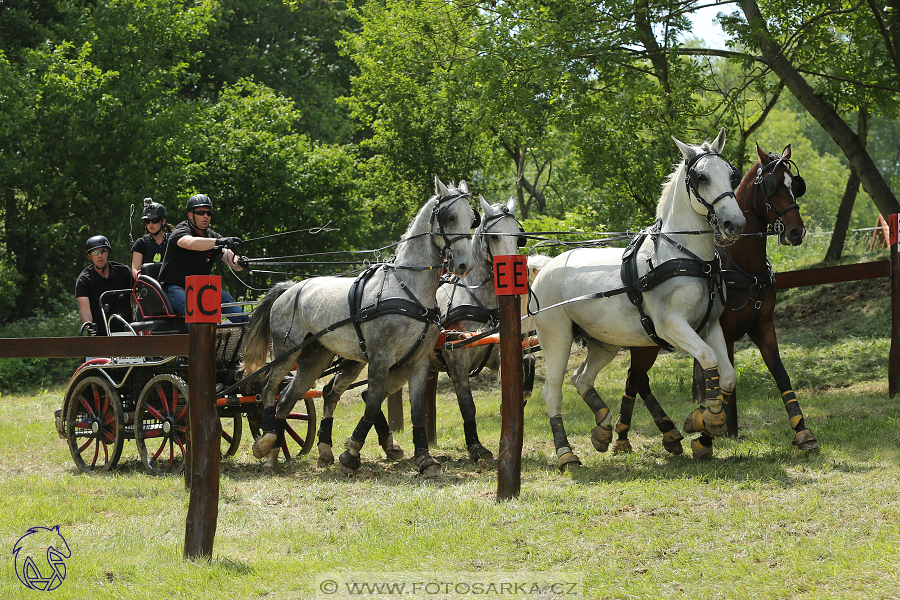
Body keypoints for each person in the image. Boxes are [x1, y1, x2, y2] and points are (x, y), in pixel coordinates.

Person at [158, 193, 250, 323]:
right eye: (201, 212)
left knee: (226, 298)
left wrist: (240, 262)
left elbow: (233, 262)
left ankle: (248, 331)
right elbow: (190, 243)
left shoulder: (212, 235)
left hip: (201, 288)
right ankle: (200, 343)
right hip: (174, 288)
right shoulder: (181, 230)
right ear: (190, 215)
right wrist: (218, 242)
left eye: (208, 213)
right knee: (196, 307)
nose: (205, 216)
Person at [76, 235, 135, 336]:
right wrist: (89, 326)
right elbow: (85, 309)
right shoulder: (84, 279)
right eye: (95, 253)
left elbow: (137, 299)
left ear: (108, 252)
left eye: (103, 251)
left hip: (127, 330)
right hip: (101, 334)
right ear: (89, 256)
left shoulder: (124, 272)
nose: (100, 256)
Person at [131, 199, 172, 279]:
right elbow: (135, 269)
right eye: (147, 221)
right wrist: (142, 281)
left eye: (155, 221)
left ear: (163, 221)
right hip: (148, 287)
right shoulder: (141, 243)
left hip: (170, 285)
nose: (151, 224)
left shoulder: (171, 241)